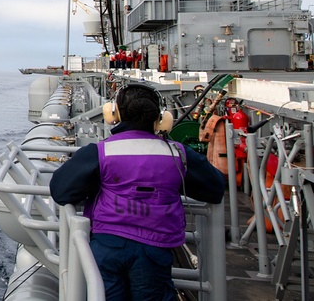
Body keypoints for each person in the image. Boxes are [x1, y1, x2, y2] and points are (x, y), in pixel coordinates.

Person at [49, 83, 225, 300]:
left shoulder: (101, 152)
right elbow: (215, 188)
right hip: (156, 249)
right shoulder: (177, 154)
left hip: (108, 245)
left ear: (113, 114)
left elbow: (61, 190)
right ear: (162, 118)